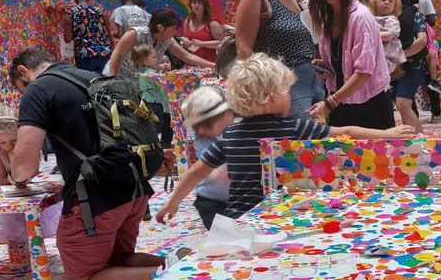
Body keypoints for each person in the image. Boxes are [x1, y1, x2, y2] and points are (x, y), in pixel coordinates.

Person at [156, 54, 415, 223]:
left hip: (237, 219)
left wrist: (173, 202)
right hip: (279, 219)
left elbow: (197, 171)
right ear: (271, 97)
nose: (290, 96)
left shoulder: (231, 135)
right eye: (286, 90)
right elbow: (345, 132)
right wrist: (386, 134)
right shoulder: (293, 128)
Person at [8, 47, 165, 280]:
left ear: (23, 72)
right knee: (119, 259)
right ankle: (180, 264)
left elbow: (24, 166)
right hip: (134, 189)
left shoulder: (38, 89)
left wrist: (16, 178)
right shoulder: (90, 76)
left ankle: (169, 273)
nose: (22, 93)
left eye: (20, 87)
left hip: (94, 200)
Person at [235, 0, 323, 119]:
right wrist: (270, 91)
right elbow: (244, 49)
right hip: (284, 88)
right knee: (295, 144)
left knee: (315, 143)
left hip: (314, 83)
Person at [305, 0, 394, 130]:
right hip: (341, 103)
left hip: (370, 106)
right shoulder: (328, 18)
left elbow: (364, 72)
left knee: (374, 157)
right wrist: (328, 66)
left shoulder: (360, 17)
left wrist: (330, 103)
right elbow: (346, 64)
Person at [0, 107, 61, 260]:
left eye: (14, 140)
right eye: (2, 142)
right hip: (10, 198)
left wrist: (21, 158)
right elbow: (3, 180)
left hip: (31, 194)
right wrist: (13, 160)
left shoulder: (29, 145)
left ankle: (40, 258)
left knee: (40, 226)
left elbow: (33, 171)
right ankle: (20, 259)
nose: (8, 146)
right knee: (15, 233)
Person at [108, 9, 214, 82]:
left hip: (142, 88)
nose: (174, 34)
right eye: (172, 30)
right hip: (121, 82)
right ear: (160, 27)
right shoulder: (135, 34)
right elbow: (117, 54)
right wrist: (110, 80)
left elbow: (187, 56)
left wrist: (214, 66)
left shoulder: (167, 40)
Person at [181, 86, 234, 230]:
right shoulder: (204, 138)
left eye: (206, 124)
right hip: (211, 201)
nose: (202, 130)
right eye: (197, 126)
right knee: (224, 238)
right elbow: (207, 168)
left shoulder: (233, 127)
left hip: (236, 198)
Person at [399, 0, 441, 120]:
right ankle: (436, 113)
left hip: (403, 41)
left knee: (404, 78)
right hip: (421, 39)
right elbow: (432, 20)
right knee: (429, 75)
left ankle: (413, 115)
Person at [394, 0, 429, 129]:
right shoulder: (389, 18)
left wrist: (399, 56)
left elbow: (422, 41)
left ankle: (419, 140)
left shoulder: (415, 15)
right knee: (401, 105)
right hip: (398, 68)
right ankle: (411, 139)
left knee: (402, 103)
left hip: (413, 66)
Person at [62, 0, 112, 74]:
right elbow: (109, 34)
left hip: (85, 55)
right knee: (103, 83)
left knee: (87, 84)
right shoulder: (100, 11)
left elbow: (67, 39)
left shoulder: (71, 12)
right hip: (104, 53)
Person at [131, 44, 172, 147]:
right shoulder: (151, 74)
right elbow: (162, 84)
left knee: (150, 124)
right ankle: (155, 144)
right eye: (153, 57)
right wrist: (173, 81)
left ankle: (151, 143)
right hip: (155, 103)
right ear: (143, 60)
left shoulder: (142, 72)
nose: (156, 59)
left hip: (147, 101)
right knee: (156, 125)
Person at [370, 0, 405, 81]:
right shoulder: (371, 17)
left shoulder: (392, 19)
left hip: (387, 56)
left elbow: (389, 35)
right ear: (375, 2)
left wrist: (371, 36)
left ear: (395, 5)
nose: (387, 3)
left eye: (390, 1)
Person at [181, 0, 225, 64]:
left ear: (205, 6)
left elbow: (222, 43)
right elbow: (185, 38)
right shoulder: (188, 20)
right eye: (194, 3)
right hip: (191, 64)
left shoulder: (212, 23)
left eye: (199, 3)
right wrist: (184, 41)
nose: (196, 5)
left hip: (210, 64)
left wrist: (202, 43)